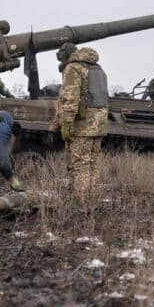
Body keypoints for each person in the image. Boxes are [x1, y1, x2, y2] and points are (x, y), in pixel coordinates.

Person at [55, 43, 109, 198]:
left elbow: (70, 100)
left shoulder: (73, 68)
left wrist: (66, 125)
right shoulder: (98, 69)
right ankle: (93, 199)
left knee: (80, 164)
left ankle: (82, 201)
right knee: (92, 163)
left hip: (83, 126)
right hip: (98, 125)